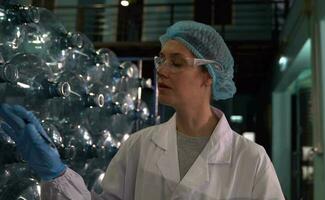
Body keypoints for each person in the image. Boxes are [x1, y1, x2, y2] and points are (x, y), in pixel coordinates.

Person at [0, 21, 284, 200]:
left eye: (177, 62)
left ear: (209, 75)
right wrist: (56, 174)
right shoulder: (139, 145)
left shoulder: (249, 159)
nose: (162, 70)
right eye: (161, 60)